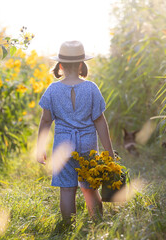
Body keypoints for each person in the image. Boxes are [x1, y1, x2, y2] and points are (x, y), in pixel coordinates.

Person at [36, 41, 114, 226]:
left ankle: (68, 226)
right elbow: (100, 121)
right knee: (91, 187)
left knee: (67, 189)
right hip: (87, 143)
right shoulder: (91, 88)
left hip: (63, 144)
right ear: (81, 64)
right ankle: (97, 223)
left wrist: (40, 147)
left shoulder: (53, 89)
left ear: (60, 66)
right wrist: (109, 150)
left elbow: (46, 120)